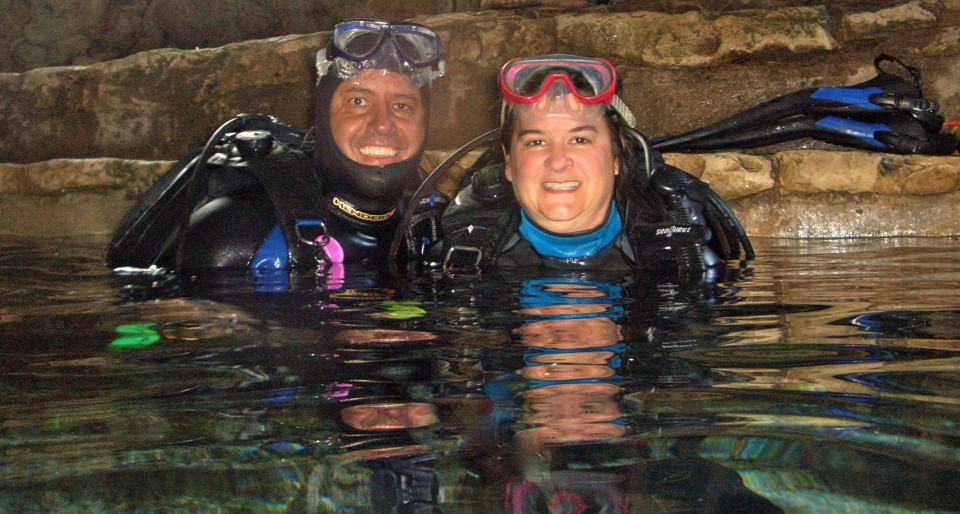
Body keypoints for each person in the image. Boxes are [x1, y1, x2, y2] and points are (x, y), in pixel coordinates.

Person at [106, 19, 446, 275]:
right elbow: (138, 343)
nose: (383, 124)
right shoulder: (236, 236)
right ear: (323, 115)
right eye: (358, 101)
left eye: (402, 106)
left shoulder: (436, 229)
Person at [435, 54, 753, 278]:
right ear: (508, 164)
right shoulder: (459, 249)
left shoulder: (682, 250)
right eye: (536, 141)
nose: (558, 161)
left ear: (617, 156)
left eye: (580, 140)